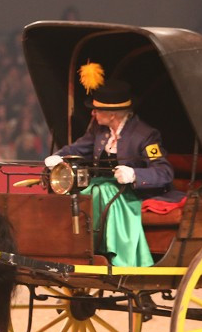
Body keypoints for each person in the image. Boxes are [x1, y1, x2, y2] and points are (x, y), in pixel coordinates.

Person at [44, 65, 177, 267]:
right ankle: (77, 246)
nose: (92, 114)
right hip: (107, 187)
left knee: (101, 191)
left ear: (113, 114)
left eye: (96, 110)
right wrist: (58, 157)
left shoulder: (145, 135)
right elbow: (78, 149)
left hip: (136, 192)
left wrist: (134, 174)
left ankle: (113, 253)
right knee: (81, 191)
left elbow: (164, 172)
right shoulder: (100, 130)